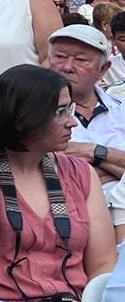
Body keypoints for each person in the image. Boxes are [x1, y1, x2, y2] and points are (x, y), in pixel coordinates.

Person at [0, 64, 117, 302]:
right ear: (24, 117)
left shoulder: (80, 173)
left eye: (69, 109)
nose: (71, 122)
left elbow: (103, 264)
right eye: (60, 112)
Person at [46, 25, 125, 192]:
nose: (67, 67)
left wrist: (94, 152)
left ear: (102, 69)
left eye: (80, 60)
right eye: (59, 57)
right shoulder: (31, 115)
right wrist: (116, 167)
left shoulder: (121, 109)